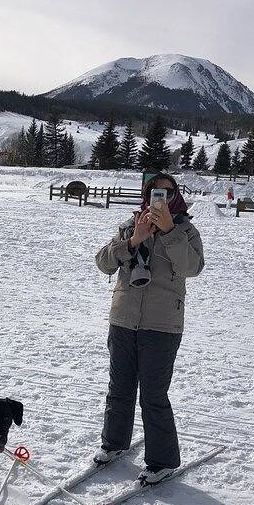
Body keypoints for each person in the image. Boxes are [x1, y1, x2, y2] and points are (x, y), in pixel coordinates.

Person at [94, 173, 205, 486]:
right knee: (119, 387)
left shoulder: (185, 230)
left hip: (162, 324)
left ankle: (163, 461)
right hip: (123, 320)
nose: (161, 197)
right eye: (156, 192)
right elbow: (103, 263)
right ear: (146, 195)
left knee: (154, 395)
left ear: (175, 196)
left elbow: (192, 268)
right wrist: (133, 240)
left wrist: (169, 231)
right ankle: (114, 443)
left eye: (167, 193)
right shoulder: (131, 226)